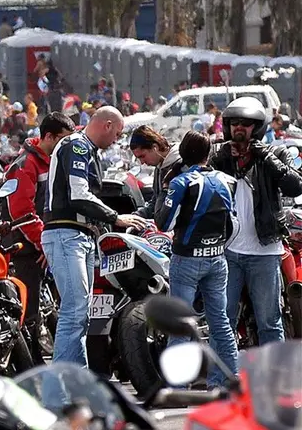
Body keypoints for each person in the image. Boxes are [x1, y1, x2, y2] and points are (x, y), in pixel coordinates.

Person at [42, 106, 149, 366]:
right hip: (67, 236)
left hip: (78, 237)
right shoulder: (77, 146)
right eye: (118, 133)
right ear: (108, 124)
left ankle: (76, 383)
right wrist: (115, 217)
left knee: (80, 314)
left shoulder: (85, 149)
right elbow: (79, 194)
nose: (117, 140)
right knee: (74, 312)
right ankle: (61, 388)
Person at [210, 97, 302, 345]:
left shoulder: (275, 152)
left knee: (270, 323)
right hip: (227, 251)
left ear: (258, 127)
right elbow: (196, 177)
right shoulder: (219, 155)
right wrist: (218, 159)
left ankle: (275, 381)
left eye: (247, 123)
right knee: (222, 320)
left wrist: (266, 157)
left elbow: (295, 185)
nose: (240, 128)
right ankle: (220, 380)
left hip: (264, 251)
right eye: (235, 123)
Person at [156, 130, 239, 387]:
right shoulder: (228, 180)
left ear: (182, 154)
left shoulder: (181, 182)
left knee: (180, 324)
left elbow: (163, 222)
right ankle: (227, 381)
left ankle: (177, 387)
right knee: (220, 323)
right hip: (217, 258)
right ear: (209, 153)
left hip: (187, 260)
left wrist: (164, 189)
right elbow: (232, 224)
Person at [0, 112, 74, 362]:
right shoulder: (25, 164)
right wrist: (45, 244)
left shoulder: (52, 159)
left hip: (47, 242)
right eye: (63, 139)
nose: (67, 145)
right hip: (26, 246)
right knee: (28, 310)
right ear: (49, 137)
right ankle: (31, 366)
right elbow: (21, 212)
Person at [129, 125, 184, 219]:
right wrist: (136, 216)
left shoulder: (182, 166)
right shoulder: (159, 168)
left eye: (142, 156)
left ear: (155, 147)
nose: (142, 162)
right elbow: (156, 201)